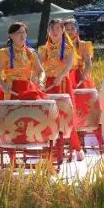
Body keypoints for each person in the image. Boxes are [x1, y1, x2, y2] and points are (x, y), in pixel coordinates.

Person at [0, 22, 46, 129]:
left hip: (27, 89)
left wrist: (41, 81)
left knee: (31, 120)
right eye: (19, 33)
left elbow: (41, 71)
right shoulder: (3, 53)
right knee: (9, 123)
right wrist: (3, 85)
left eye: (24, 32)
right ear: (11, 35)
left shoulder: (31, 53)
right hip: (10, 89)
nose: (22, 35)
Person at [39, 19, 79, 158]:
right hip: (48, 84)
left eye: (57, 28)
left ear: (63, 31)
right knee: (48, 115)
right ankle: (50, 147)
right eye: (52, 29)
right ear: (48, 31)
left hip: (62, 83)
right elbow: (39, 68)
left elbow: (68, 66)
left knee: (66, 114)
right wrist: (39, 80)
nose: (55, 31)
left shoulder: (68, 49)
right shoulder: (43, 49)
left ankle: (75, 146)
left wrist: (60, 76)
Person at [64, 18, 104, 152]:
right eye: (67, 28)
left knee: (89, 109)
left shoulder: (84, 45)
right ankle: (75, 143)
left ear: (77, 29)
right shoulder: (61, 45)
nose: (70, 31)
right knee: (69, 109)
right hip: (66, 77)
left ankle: (100, 142)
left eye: (72, 28)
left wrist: (82, 77)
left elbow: (88, 62)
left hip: (80, 76)